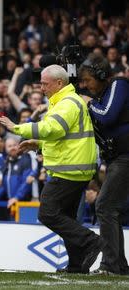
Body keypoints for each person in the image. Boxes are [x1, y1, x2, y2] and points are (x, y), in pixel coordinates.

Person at [0, 64, 104, 274]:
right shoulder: (64, 101)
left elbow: (52, 129)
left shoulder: (67, 103)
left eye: (44, 84)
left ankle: (91, 241)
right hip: (73, 168)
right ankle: (76, 265)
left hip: (69, 170)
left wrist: (17, 128)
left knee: (47, 214)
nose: (41, 88)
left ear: (59, 83)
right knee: (67, 217)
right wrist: (37, 143)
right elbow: (61, 136)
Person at [79, 53, 129, 275]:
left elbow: (107, 116)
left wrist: (88, 104)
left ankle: (110, 266)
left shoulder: (118, 84)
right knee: (111, 208)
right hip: (115, 158)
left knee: (104, 206)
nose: (85, 85)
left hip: (126, 156)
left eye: (88, 80)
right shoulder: (100, 96)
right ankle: (118, 266)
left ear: (101, 76)